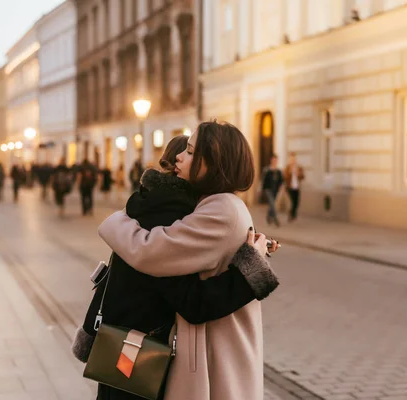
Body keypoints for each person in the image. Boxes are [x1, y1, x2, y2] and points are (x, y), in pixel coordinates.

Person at [73, 135, 279, 400]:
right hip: (137, 356)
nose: (185, 159)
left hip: (122, 344)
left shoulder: (150, 205)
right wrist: (252, 269)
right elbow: (193, 302)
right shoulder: (169, 216)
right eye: (188, 153)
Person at [262, 154, 283, 227]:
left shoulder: (278, 171)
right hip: (268, 190)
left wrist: (280, 189)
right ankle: (275, 219)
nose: (274, 161)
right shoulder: (267, 170)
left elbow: (281, 181)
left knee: (271, 204)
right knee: (272, 204)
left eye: (276, 160)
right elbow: (264, 180)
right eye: (273, 160)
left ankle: (268, 217)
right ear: (271, 160)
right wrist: (262, 190)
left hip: (275, 190)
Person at [283, 152, 305, 222]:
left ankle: (293, 214)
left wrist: (298, 174)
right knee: (292, 202)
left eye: (294, 159)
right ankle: (291, 215)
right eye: (291, 159)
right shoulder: (287, 168)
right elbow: (284, 177)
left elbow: (303, 177)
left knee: (296, 202)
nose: (293, 161)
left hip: (297, 187)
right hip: (290, 188)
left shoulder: (298, 167)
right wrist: (289, 173)